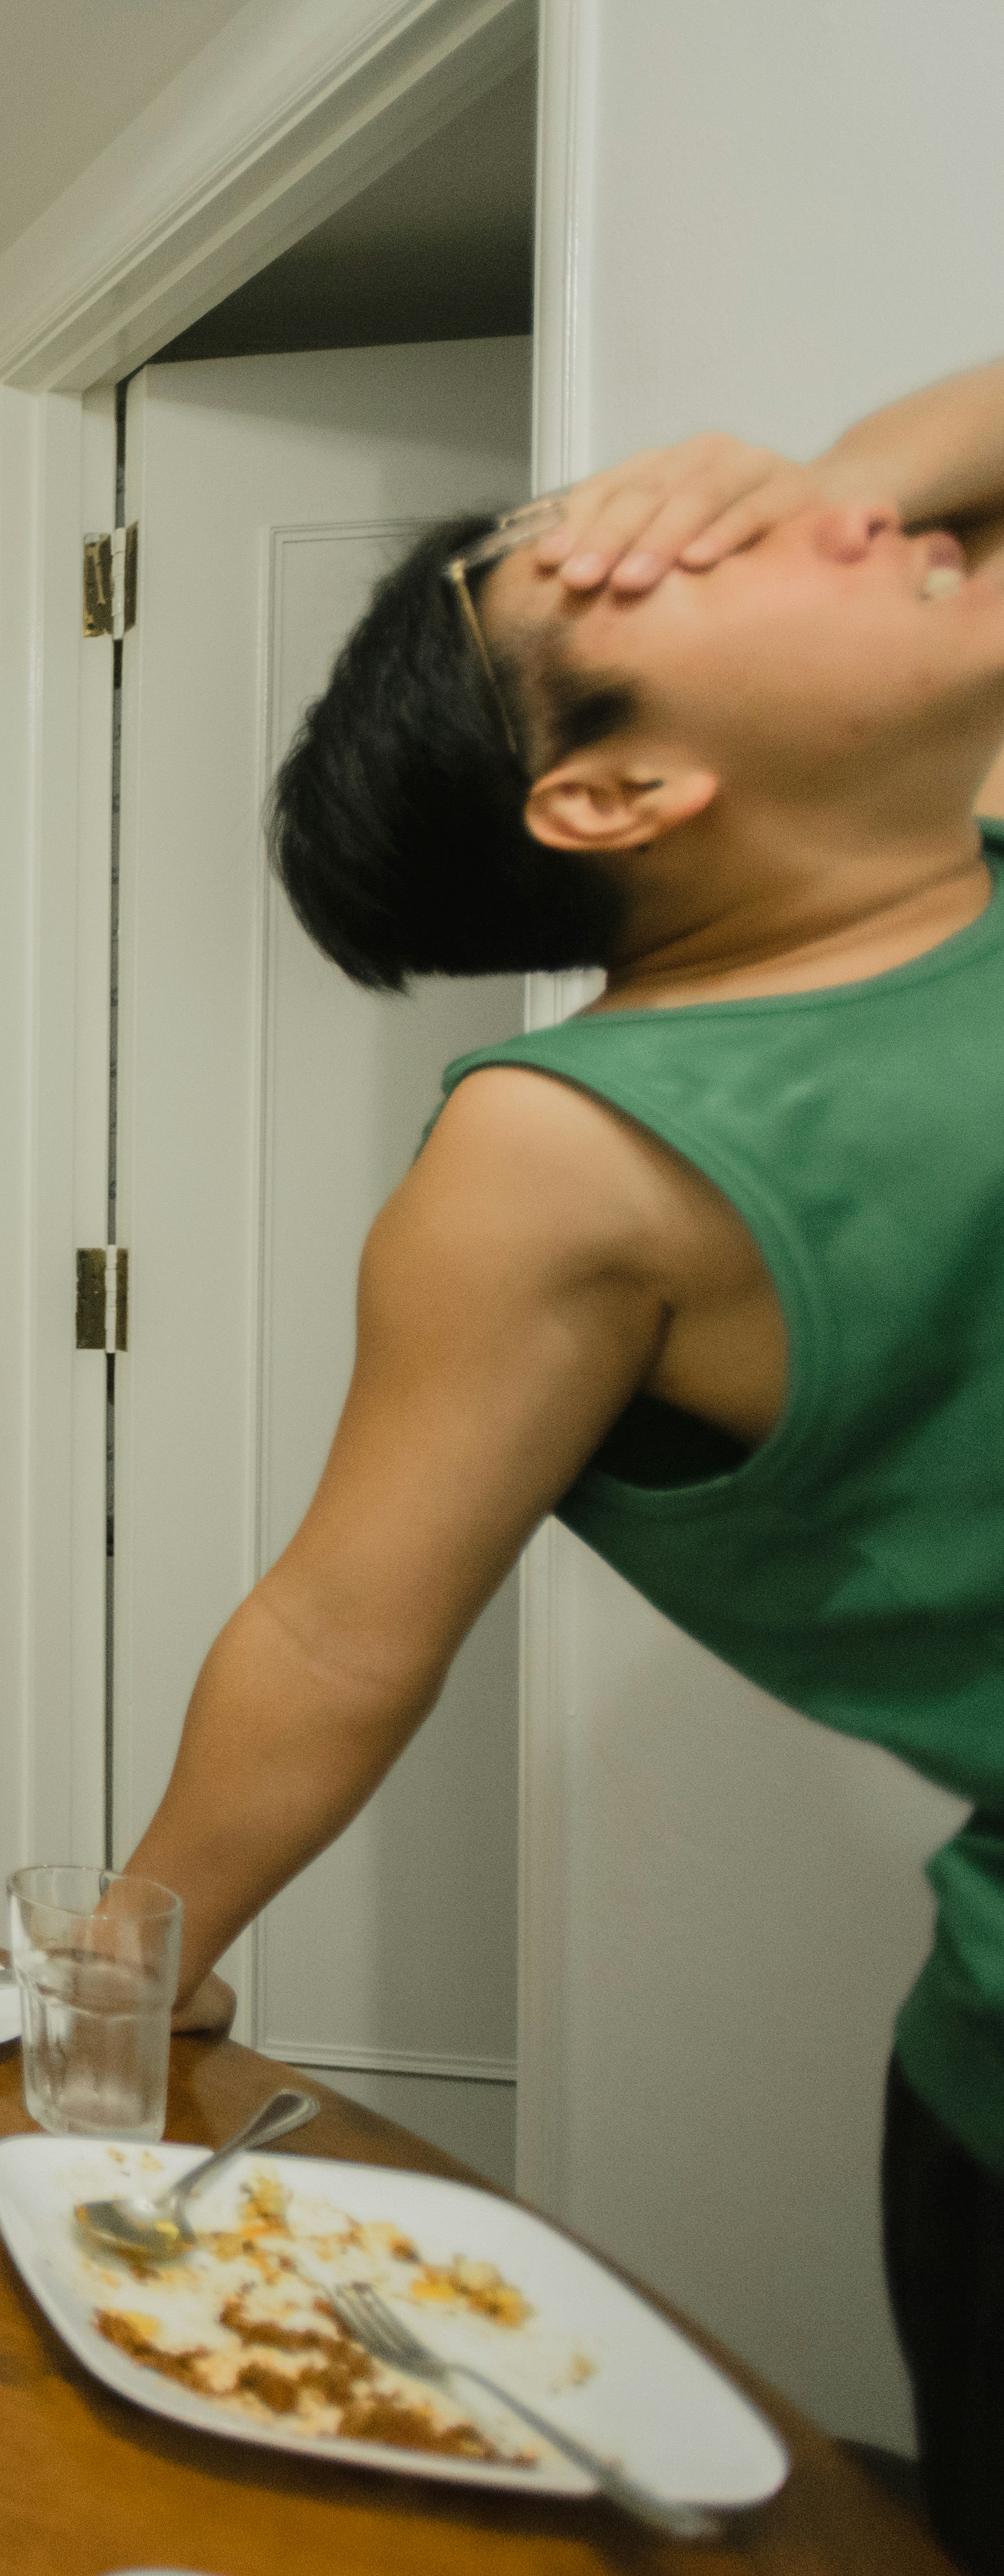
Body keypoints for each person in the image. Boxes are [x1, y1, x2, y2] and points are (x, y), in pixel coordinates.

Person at [112, 354, 1004, 2566]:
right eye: (677, 557)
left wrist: (828, 473)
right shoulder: (565, 1157)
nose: (828, 517)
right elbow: (337, 1629)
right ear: (610, 794)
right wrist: (134, 1957)